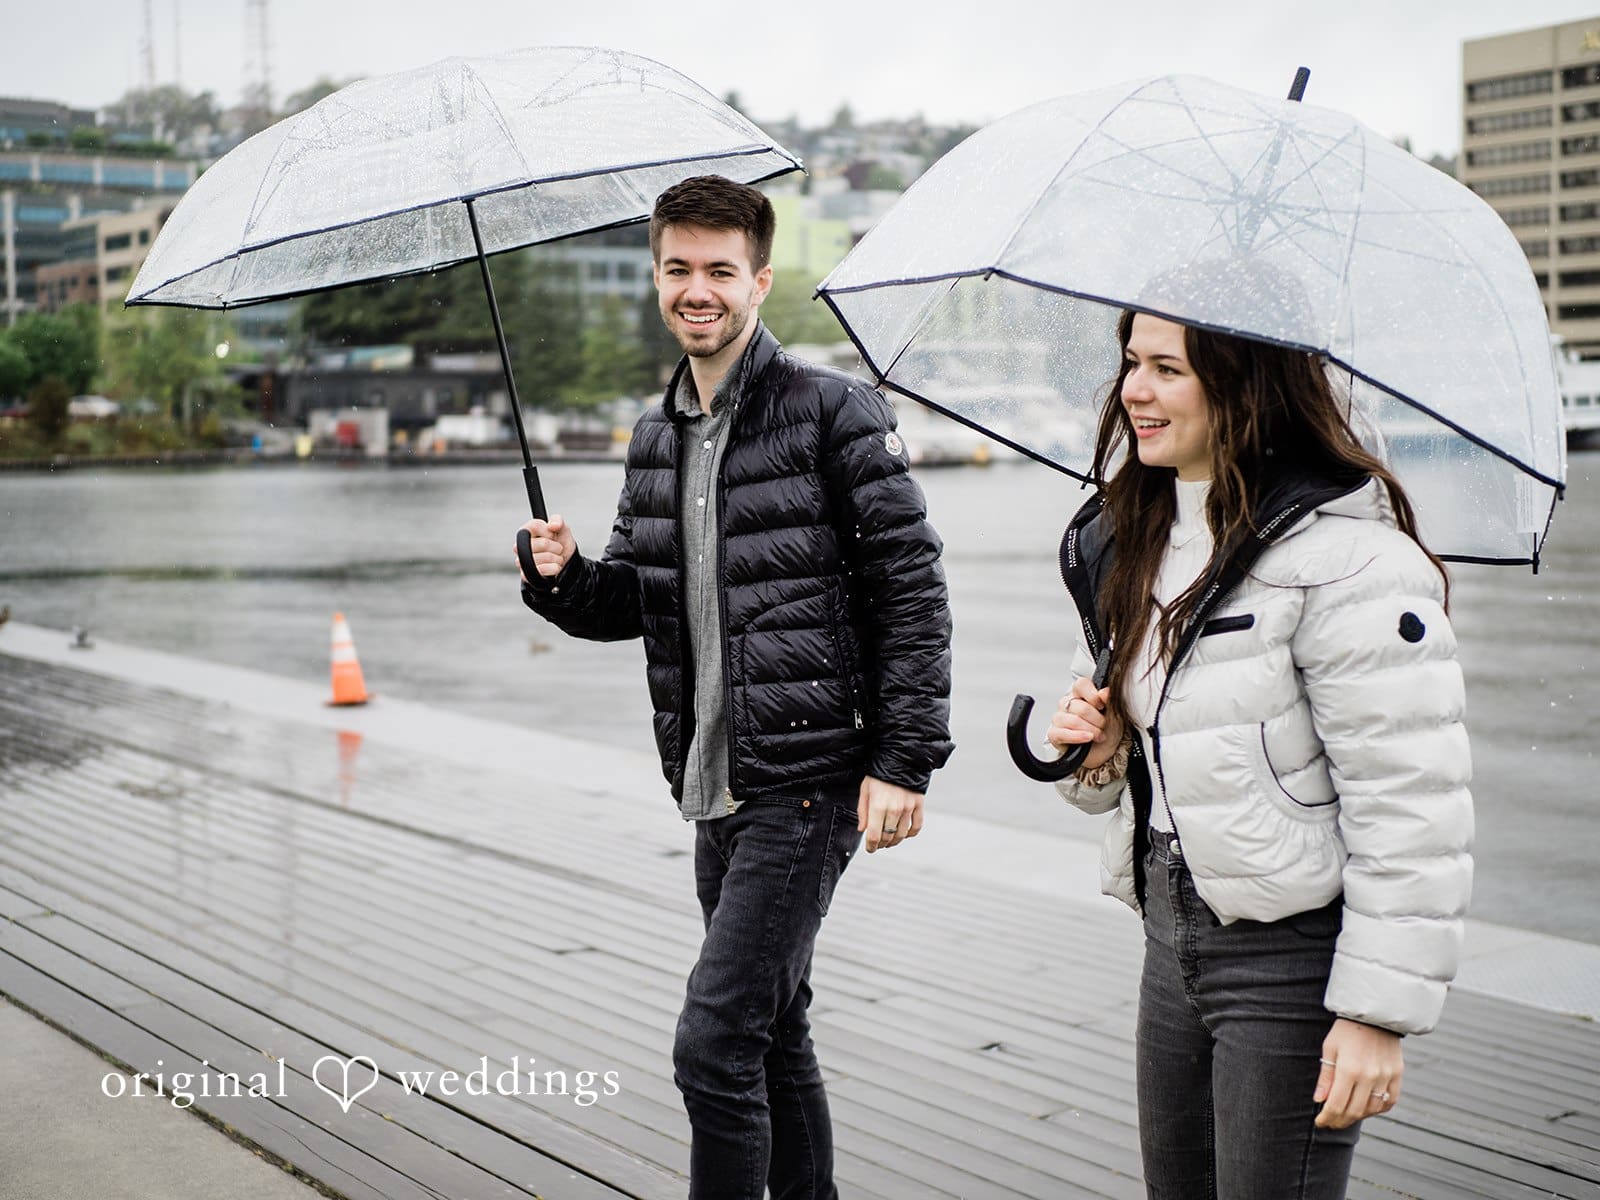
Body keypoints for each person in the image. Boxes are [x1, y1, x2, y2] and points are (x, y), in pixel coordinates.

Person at [515, 174, 954, 1200]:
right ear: (655, 277)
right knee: (773, 1030)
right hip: (713, 784)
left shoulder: (831, 412)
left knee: (713, 1045)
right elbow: (638, 600)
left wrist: (903, 761)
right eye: (678, 269)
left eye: (720, 270)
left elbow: (912, 590)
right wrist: (562, 578)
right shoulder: (653, 435)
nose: (697, 290)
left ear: (759, 280)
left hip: (807, 785)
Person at [1047, 309, 1473, 1198]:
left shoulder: (1356, 563)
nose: (1133, 390)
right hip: (1169, 934)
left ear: (1246, 387)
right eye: (1131, 362)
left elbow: (1411, 806)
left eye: (1168, 368)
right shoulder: (1139, 540)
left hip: (1289, 963)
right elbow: (1161, 767)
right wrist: (1101, 750)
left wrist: (1374, 1015)